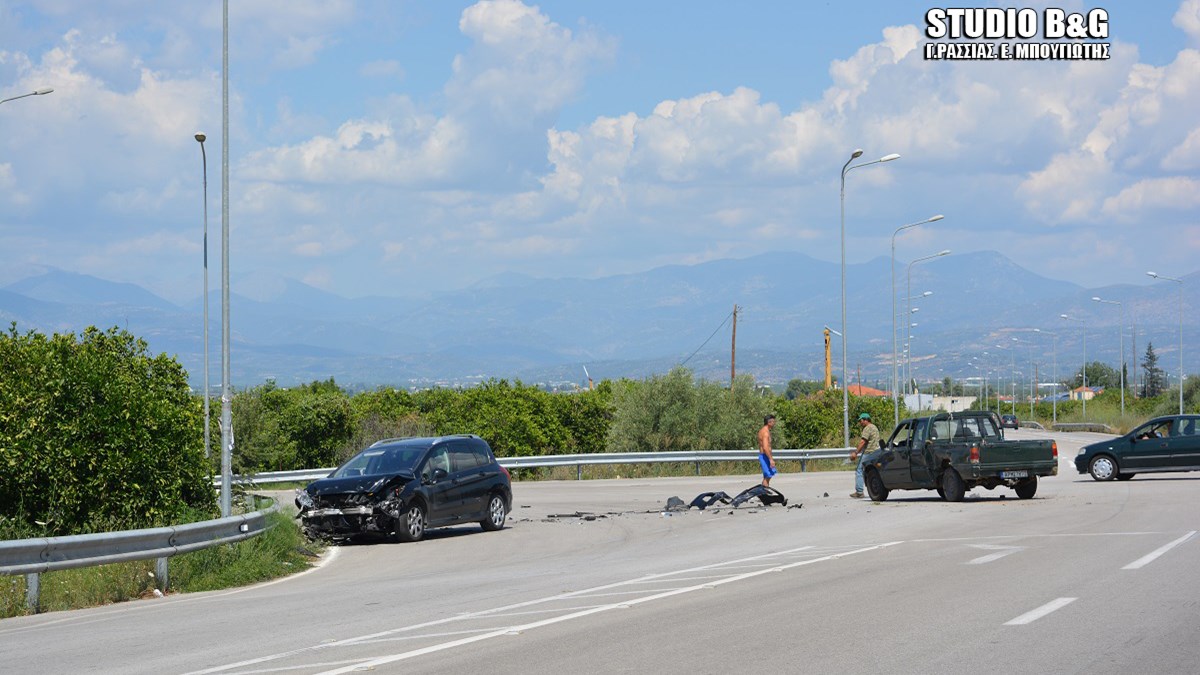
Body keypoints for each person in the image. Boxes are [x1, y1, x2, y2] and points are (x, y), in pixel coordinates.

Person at [850, 412, 880, 499]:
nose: (860, 423)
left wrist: (855, 453)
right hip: (876, 452)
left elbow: (863, 442)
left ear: (866, 420)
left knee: (859, 470)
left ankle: (859, 492)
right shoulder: (875, 427)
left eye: (861, 421)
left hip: (868, 452)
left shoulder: (867, 428)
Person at [758, 414, 777, 486]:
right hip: (765, 456)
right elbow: (765, 447)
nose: (774, 423)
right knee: (768, 475)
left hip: (765, 455)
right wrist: (771, 459)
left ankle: (765, 493)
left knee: (767, 476)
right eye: (773, 422)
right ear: (769, 422)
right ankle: (764, 493)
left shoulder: (763, 430)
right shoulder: (765, 432)